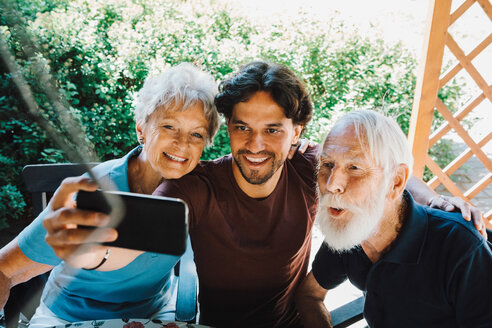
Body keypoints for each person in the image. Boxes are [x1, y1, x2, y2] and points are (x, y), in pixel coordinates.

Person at [28, 61, 484, 328]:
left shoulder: (314, 168)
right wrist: (89, 246)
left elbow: (372, 165)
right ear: (226, 129)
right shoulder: (197, 186)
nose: (256, 144)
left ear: (297, 133)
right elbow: (141, 229)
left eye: (272, 130)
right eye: (241, 128)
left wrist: (432, 196)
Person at [0, 62, 220, 326]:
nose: (182, 144)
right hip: (71, 317)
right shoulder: (95, 190)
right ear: (142, 129)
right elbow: (5, 269)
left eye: (196, 134)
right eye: (169, 126)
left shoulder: (198, 192)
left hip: (154, 313)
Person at [295, 110, 492, 327]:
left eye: (355, 168)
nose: (332, 184)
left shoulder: (460, 246)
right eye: (327, 165)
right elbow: (310, 295)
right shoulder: (351, 227)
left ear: (396, 182)